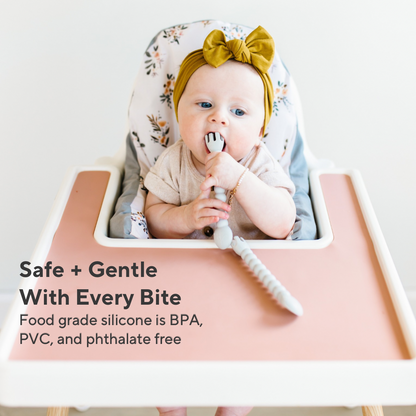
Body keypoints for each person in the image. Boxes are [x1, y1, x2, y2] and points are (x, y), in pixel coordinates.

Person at [144, 26, 296, 244]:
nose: (218, 117)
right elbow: (152, 219)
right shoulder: (173, 161)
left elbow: (283, 224)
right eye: (205, 104)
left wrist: (238, 178)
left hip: (249, 264)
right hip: (186, 265)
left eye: (238, 111)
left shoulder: (261, 164)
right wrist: (185, 218)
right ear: (179, 113)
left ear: (259, 133)